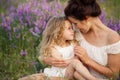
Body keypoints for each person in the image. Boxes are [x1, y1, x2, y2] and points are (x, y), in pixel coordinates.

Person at [44, 0, 120, 79]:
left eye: (76, 23)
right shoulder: (75, 32)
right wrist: (49, 60)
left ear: (86, 18)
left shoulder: (112, 38)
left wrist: (88, 60)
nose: (75, 27)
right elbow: (53, 42)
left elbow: (114, 74)